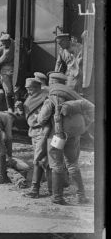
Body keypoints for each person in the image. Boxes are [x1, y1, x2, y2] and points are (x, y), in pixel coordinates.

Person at [36, 72, 93, 205]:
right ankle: (81, 196)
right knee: (72, 164)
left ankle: (57, 197)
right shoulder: (74, 97)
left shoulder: (52, 99)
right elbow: (91, 109)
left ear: (52, 83)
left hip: (58, 136)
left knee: (56, 164)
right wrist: (88, 123)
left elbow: (41, 119)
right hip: (74, 135)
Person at [21, 77, 52, 198]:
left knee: (39, 160)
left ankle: (35, 190)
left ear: (39, 87)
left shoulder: (45, 98)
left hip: (42, 131)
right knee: (44, 160)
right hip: (34, 132)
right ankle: (51, 190)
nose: (29, 92)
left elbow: (43, 117)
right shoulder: (31, 98)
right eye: (27, 89)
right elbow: (28, 116)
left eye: (31, 89)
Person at [0, 33, 15, 111]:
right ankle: (10, 107)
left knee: (16, 89)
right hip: (4, 71)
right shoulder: (0, 49)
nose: (4, 44)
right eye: (3, 42)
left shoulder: (14, 45)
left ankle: (16, 106)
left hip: (14, 69)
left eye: (6, 42)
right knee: (8, 90)